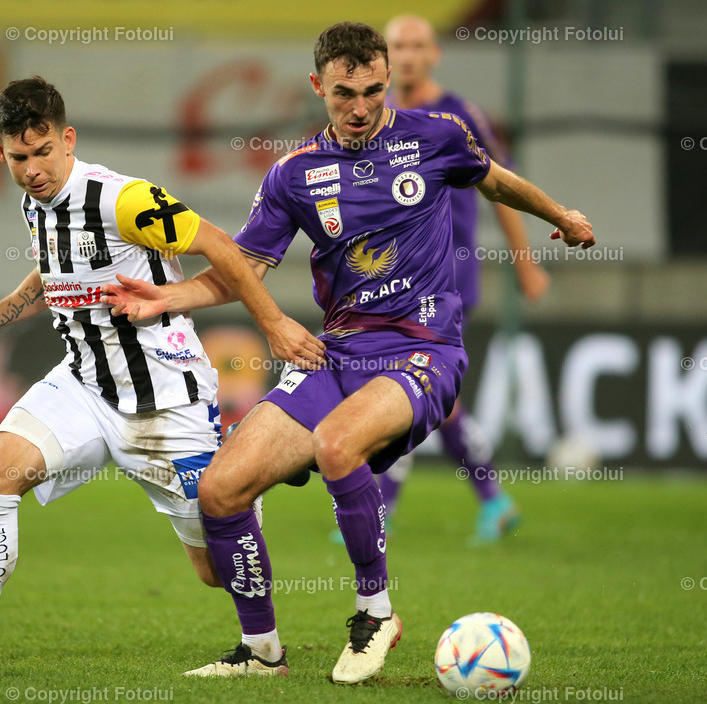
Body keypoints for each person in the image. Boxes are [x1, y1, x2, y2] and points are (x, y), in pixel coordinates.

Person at [104, 22, 594, 684]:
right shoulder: (295, 175)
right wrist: (171, 299)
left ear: (387, 78)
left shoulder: (437, 135)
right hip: (338, 354)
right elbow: (242, 268)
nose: (359, 107)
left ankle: (375, 614)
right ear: (318, 87)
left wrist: (559, 214)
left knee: (338, 445)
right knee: (220, 490)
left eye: (370, 90)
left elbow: (498, 183)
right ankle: (261, 651)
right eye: (343, 94)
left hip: (424, 349)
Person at [0, 76, 321, 673]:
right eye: (19, 158)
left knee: (213, 569)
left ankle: (263, 633)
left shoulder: (123, 200)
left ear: (67, 139)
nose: (33, 169)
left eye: (44, 152)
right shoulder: (34, 202)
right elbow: (54, 272)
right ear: (2, 152)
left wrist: (276, 325)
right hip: (83, 386)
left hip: (166, 402)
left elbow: (223, 247)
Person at [345, 14, 553, 545]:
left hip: (448, 273)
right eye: (399, 47)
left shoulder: (458, 114)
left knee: (414, 382)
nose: (409, 55)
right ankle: (482, 499)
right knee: (404, 384)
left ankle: (445, 501)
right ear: (384, 61)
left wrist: (524, 262)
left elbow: (502, 187)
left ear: (434, 54)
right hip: (393, 278)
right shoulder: (369, 117)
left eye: (418, 46)